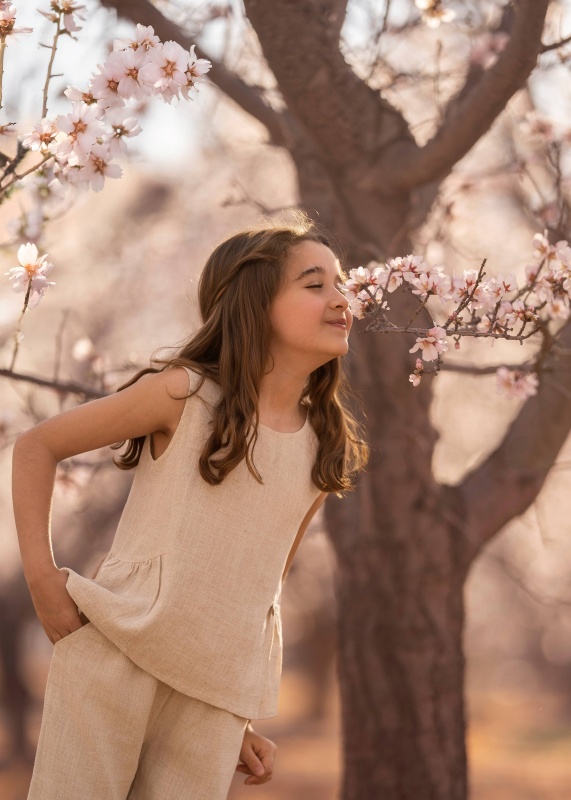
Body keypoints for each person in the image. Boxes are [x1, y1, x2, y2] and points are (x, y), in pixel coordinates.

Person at [12, 210, 369, 800]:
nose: (341, 299)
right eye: (315, 284)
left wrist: (241, 712)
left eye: (342, 283)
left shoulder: (323, 448)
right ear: (255, 303)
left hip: (212, 698)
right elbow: (36, 446)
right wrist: (44, 582)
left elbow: (263, 584)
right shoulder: (185, 393)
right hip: (115, 658)